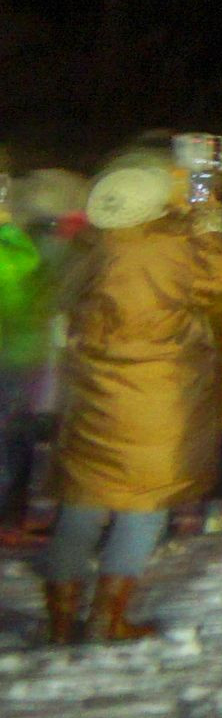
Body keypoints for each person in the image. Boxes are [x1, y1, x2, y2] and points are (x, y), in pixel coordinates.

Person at [41, 158, 222, 643]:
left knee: (81, 503)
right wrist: (220, 230)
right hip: (158, 393)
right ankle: (108, 617)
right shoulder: (171, 248)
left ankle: (60, 620)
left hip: (94, 393)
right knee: (144, 502)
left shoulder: (89, 248)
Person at [0, 171, 68, 533]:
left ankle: (12, 507)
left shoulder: (16, 248)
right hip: (27, 353)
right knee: (19, 433)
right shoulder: (33, 246)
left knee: (15, 433)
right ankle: (15, 506)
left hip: (16, 354)